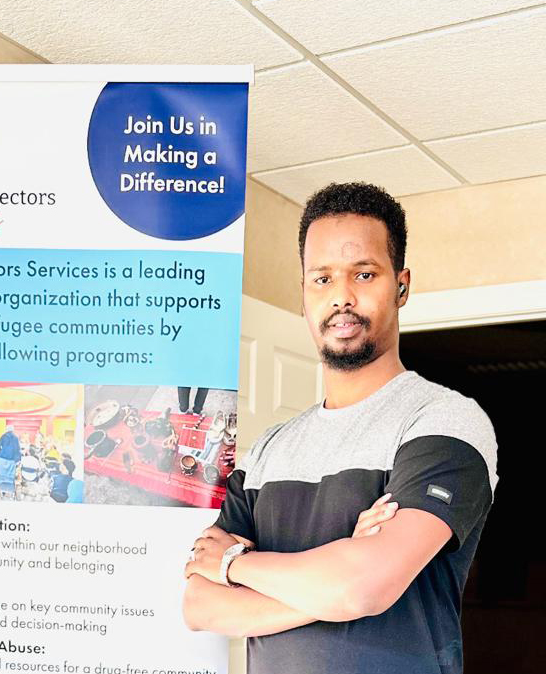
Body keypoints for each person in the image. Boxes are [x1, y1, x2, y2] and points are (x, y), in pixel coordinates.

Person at [182, 182, 499, 674]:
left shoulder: (444, 422)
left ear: (402, 285)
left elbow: (360, 587)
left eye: (364, 274)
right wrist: (339, 576)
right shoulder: (269, 449)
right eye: (322, 279)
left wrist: (235, 566)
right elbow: (200, 607)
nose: (342, 297)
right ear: (304, 293)